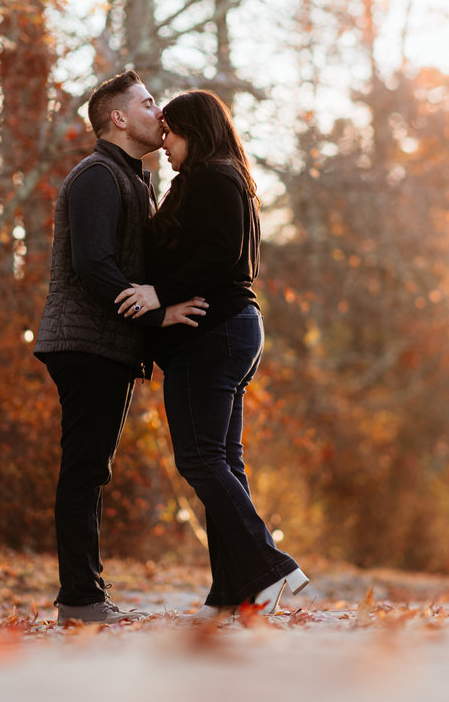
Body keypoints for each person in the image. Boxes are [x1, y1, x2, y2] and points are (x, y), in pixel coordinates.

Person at [116, 90, 308, 619]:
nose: (164, 144)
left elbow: (222, 255)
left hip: (214, 334)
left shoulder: (213, 177)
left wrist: (160, 293)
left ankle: (270, 566)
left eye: (170, 134)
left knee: (199, 458)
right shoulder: (217, 179)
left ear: (194, 132)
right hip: (228, 333)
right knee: (222, 460)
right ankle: (231, 594)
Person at [33, 70, 207, 625]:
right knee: (85, 469)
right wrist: (157, 311)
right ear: (118, 118)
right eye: (148, 103)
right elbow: (92, 263)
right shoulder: (97, 175)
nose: (160, 112)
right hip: (84, 342)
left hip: (107, 344)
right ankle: (80, 599)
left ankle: (83, 595)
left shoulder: (132, 179)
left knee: (91, 469)